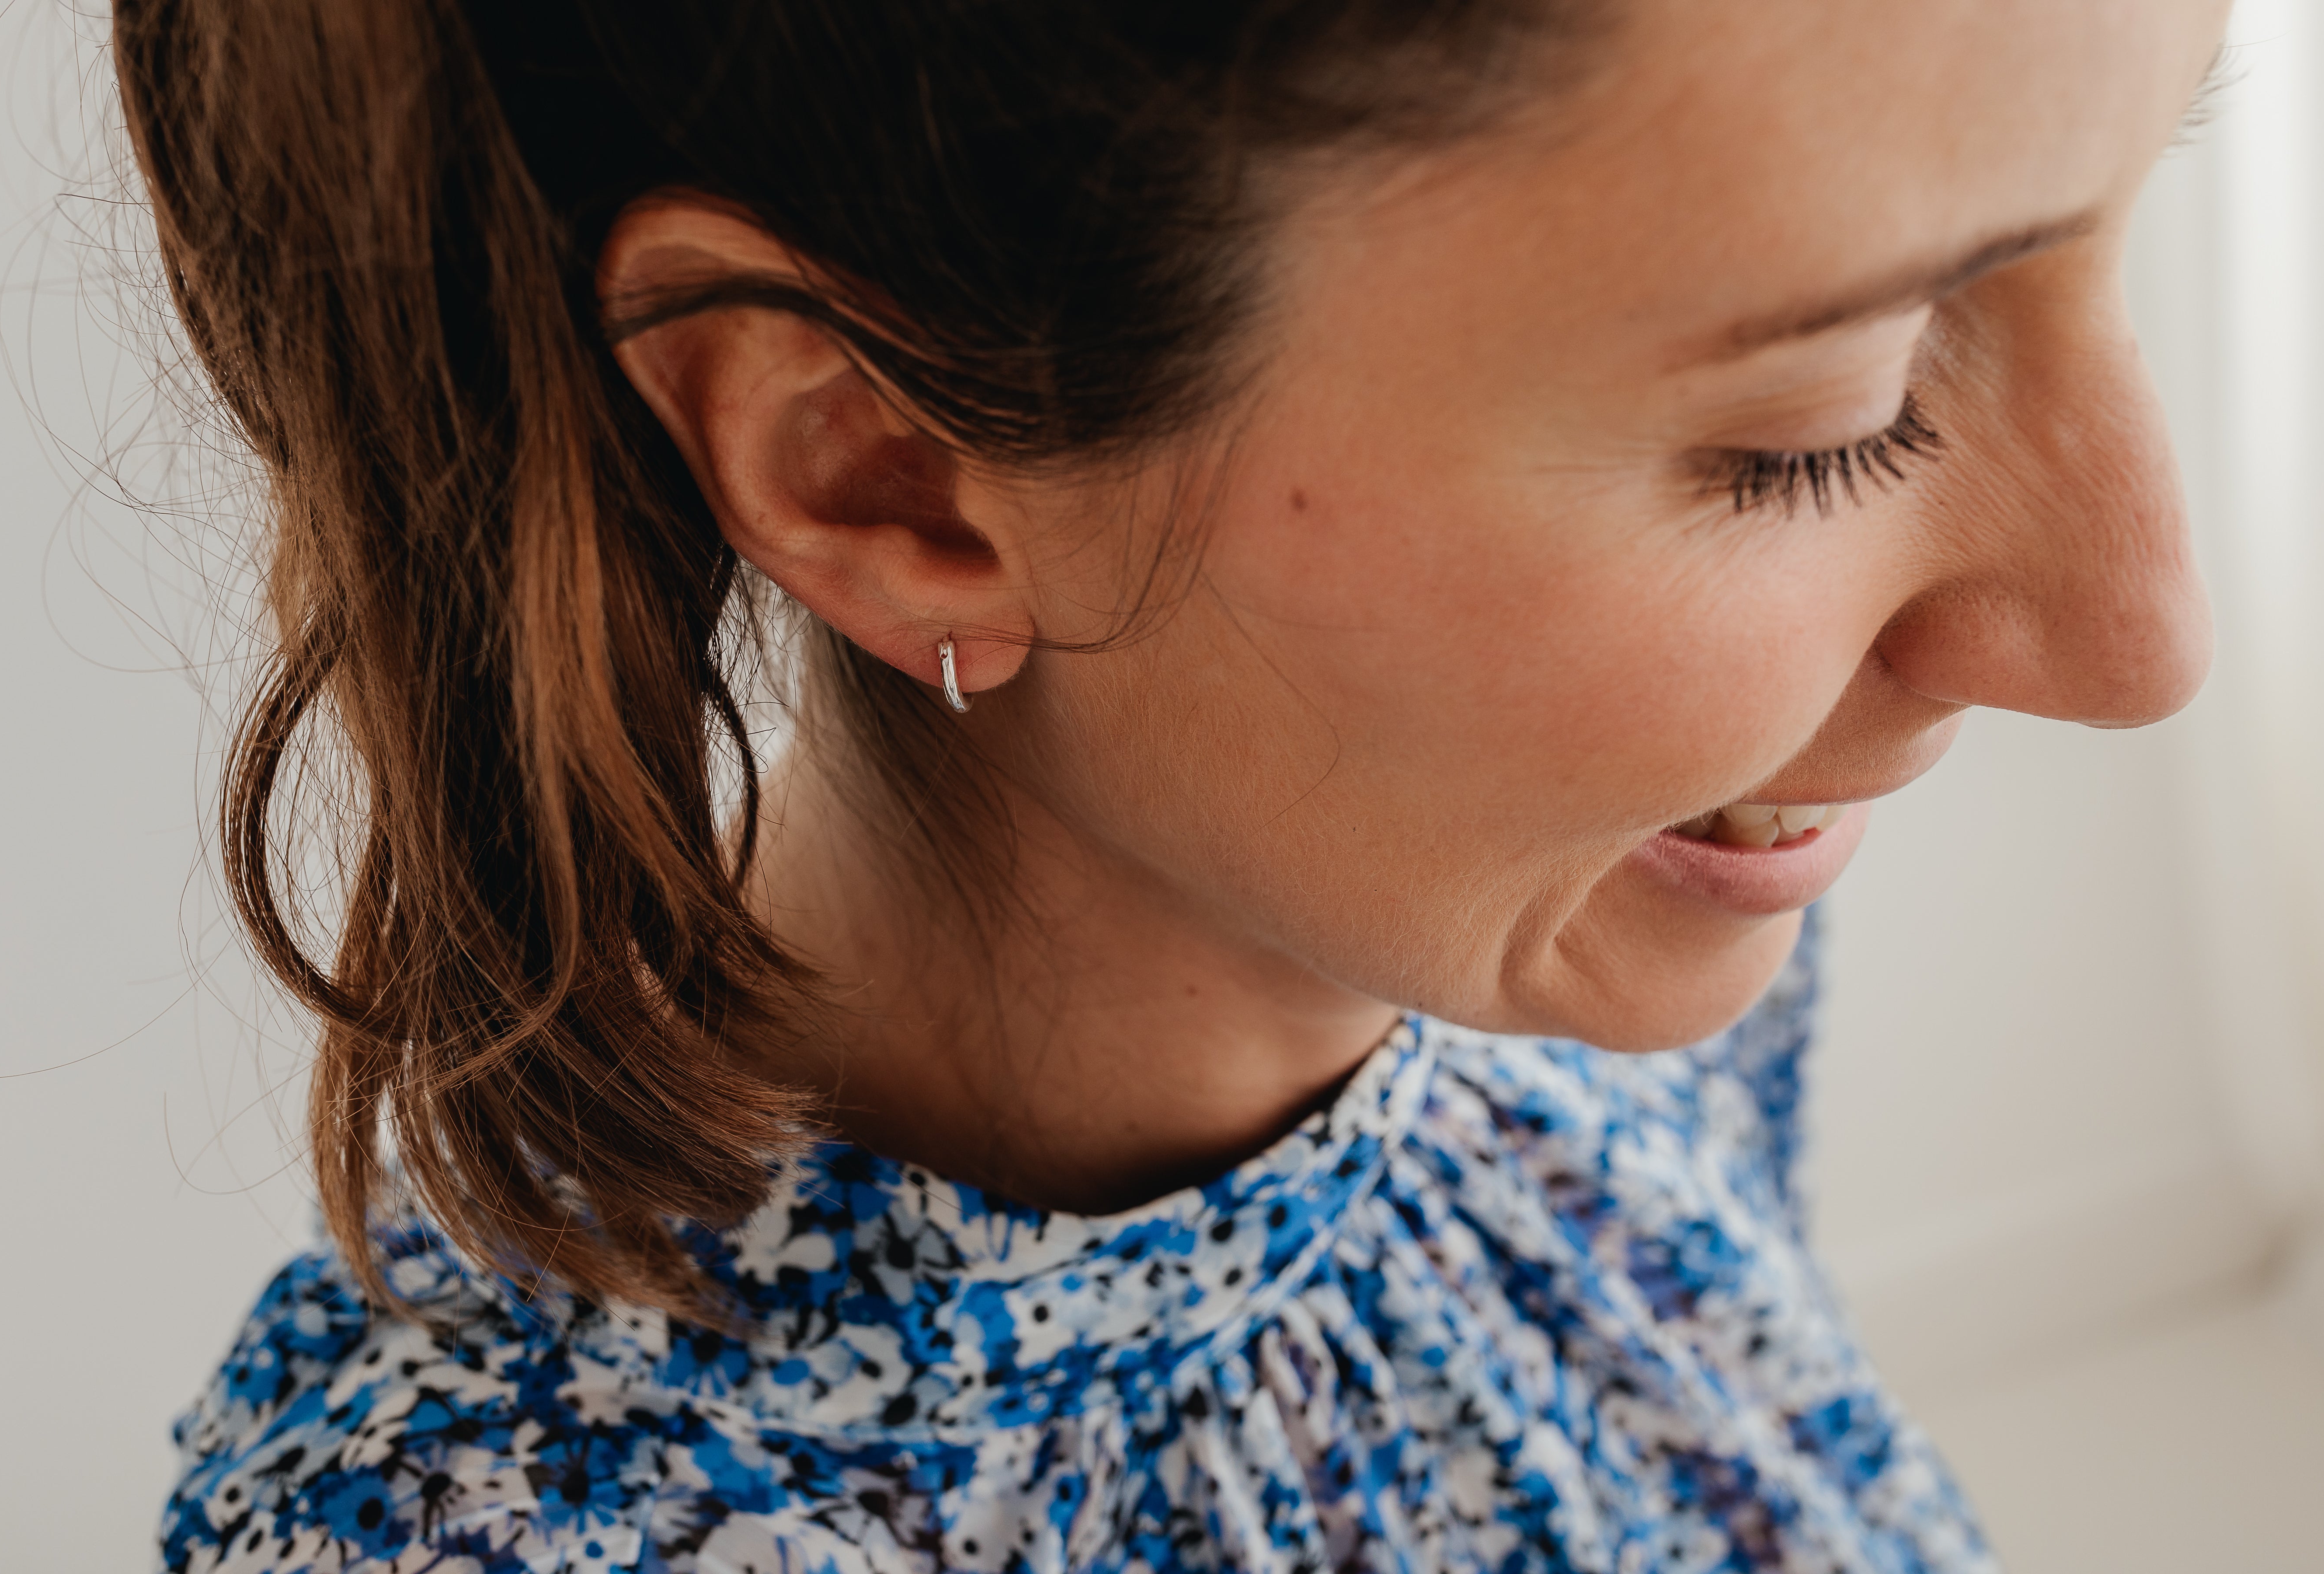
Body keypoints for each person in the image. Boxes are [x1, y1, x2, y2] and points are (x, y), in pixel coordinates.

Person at [121, 0, 2223, 1568]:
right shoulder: (475, 1534)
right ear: (889, 471)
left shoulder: (1613, 957)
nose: (2146, 644)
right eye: (1821, 425)